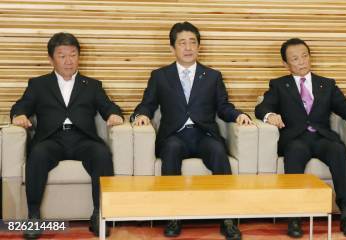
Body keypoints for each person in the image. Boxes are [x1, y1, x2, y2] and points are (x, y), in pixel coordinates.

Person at [131, 21, 250, 239]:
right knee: (172, 149)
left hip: (204, 134)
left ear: (199, 46)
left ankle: (228, 217)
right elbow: (147, 103)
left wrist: (239, 115)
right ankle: (173, 215)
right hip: (174, 135)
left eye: (192, 42)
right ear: (172, 48)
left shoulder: (212, 76)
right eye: (182, 43)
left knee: (217, 151)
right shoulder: (160, 75)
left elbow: (223, 106)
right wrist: (141, 116)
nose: (188, 48)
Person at [10, 32, 123, 239]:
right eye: (62, 56)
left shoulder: (92, 85)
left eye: (73, 54)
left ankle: (99, 214)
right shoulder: (38, 84)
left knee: (101, 154)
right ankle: (33, 215)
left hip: (83, 139)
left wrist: (114, 114)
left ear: (79, 56)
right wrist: (19, 115)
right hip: (51, 139)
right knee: (38, 154)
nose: (68, 61)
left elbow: (108, 106)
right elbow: (20, 105)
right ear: (51, 59)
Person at [255, 38, 346, 238]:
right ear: (286, 64)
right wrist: (270, 116)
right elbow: (262, 107)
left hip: (322, 137)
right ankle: (294, 216)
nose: (302, 61)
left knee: (339, 150)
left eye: (305, 56)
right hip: (295, 139)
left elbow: (344, 105)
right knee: (295, 152)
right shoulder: (279, 85)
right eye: (295, 59)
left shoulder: (327, 84)